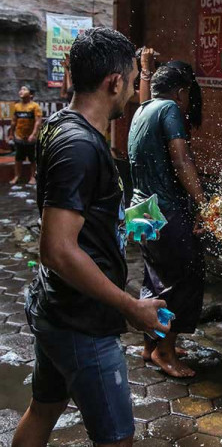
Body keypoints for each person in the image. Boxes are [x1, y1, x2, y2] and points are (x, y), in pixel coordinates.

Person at [13, 27, 169, 447]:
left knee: (44, 409)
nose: (135, 93)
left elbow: (76, 215)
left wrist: (121, 219)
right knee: (117, 438)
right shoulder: (78, 145)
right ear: (113, 82)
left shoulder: (62, 126)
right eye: (134, 82)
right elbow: (58, 249)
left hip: (58, 309)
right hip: (81, 322)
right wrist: (131, 308)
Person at [128, 62, 206, 378]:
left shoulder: (142, 109)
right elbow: (181, 158)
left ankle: (151, 345)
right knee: (184, 278)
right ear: (181, 92)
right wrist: (203, 203)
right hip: (165, 211)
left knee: (156, 278)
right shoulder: (171, 109)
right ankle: (165, 351)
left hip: (139, 209)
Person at [8, 84, 42, 185]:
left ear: (31, 95)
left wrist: (33, 134)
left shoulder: (35, 106)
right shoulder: (17, 106)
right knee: (18, 159)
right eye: (20, 89)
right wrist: (11, 134)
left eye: (24, 89)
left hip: (31, 138)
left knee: (33, 159)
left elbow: (38, 122)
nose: (21, 91)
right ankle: (17, 176)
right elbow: (14, 121)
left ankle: (33, 177)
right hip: (19, 137)